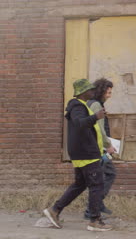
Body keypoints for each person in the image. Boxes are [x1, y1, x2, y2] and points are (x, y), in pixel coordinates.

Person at [43, 79, 112, 232]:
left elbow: (83, 124)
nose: (93, 92)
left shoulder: (79, 106)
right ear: (82, 92)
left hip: (84, 152)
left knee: (80, 184)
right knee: (97, 185)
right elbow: (80, 123)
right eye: (90, 90)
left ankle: (55, 210)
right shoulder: (77, 106)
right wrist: (96, 116)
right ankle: (94, 220)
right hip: (86, 152)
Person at [83, 78, 116, 219]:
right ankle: (93, 208)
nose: (109, 95)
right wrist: (108, 146)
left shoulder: (91, 103)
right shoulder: (96, 105)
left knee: (101, 177)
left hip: (93, 147)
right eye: (108, 92)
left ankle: (96, 205)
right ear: (101, 91)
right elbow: (100, 129)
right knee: (108, 174)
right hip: (99, 148)